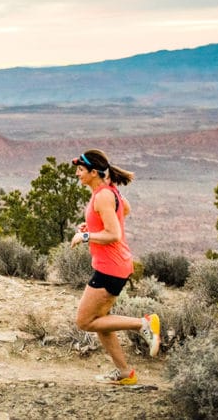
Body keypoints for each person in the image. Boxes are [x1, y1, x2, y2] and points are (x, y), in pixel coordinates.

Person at [69, 149, 160, 385]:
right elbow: (124, 210)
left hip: (110, 267)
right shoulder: (106, 192)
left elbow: (113, 233)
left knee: (84, 321)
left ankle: (143, 324)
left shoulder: (103, 196)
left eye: (81, 170)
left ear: (93, 172)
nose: (77, 174)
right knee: (101, 321)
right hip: (115, 265)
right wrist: (92, 224)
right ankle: (124, 373)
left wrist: (87, 236)